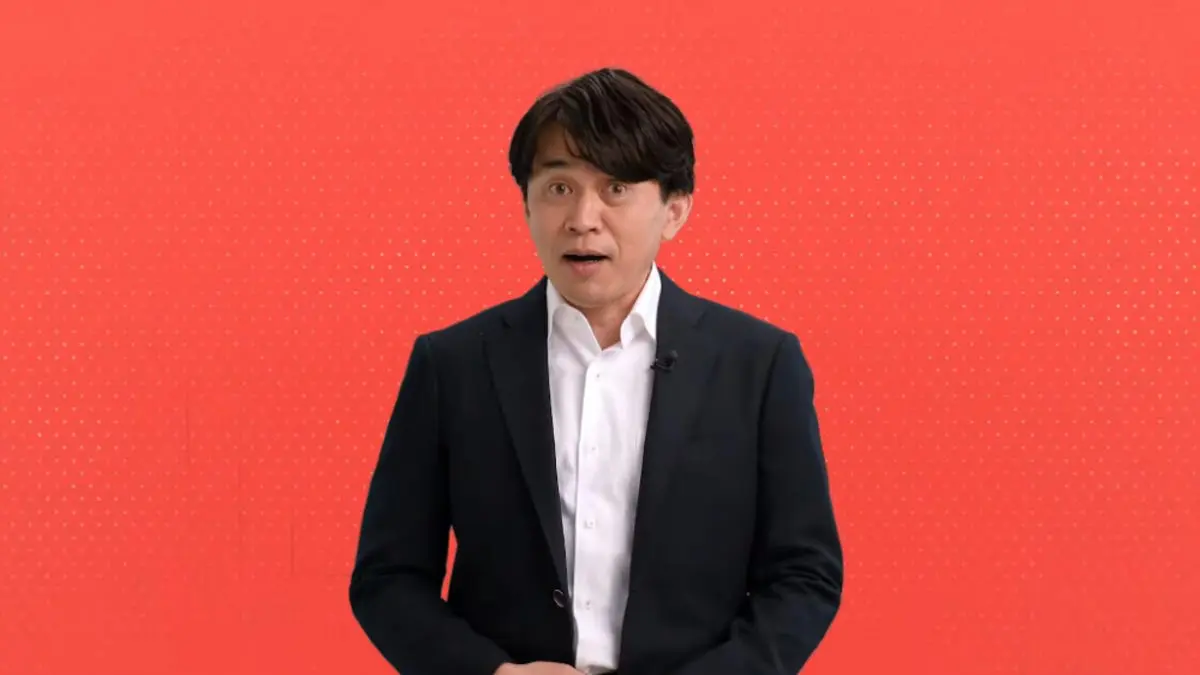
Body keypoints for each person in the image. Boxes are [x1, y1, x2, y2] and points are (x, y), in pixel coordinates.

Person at [349, 67, 844, 675]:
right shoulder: (452, 364)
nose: (583, 218)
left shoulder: (759, 364)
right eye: (559, 188)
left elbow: (804, 575)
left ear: (674, 210)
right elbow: (388, 577)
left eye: (616, 189)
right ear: (526, 204)